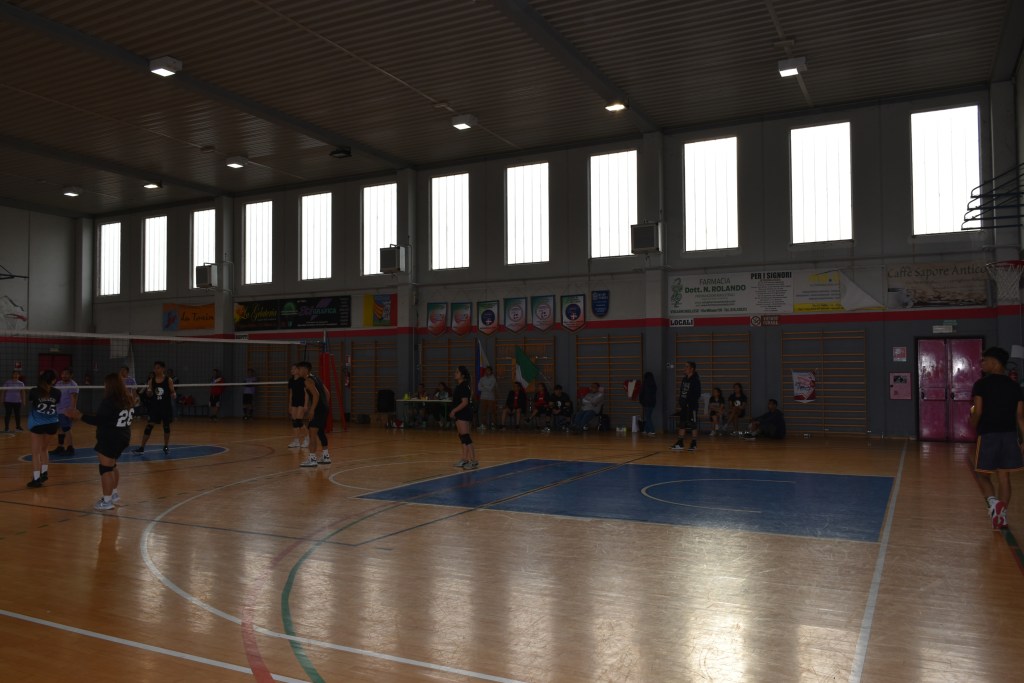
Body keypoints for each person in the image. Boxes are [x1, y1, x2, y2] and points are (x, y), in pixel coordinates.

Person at [969, 346, 1024, 530]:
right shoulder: (1014, 386)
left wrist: (972, 423)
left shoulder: (981, 384)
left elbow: (978, 411)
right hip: (1009, 436)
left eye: (984, 361)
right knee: (1004, 476)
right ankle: (1002, 515)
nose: (982, 364)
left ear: (994, 362)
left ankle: (993, 503)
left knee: (982, 475)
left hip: (989, 435)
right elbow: (1020, 416)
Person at [66, 372, 135, 510]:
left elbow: (99, 420)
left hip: (110, 438)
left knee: (106, 469)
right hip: (123, 437)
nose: (104, 386)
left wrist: (80, 416)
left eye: (105, 384)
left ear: (109, 385)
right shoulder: (127, 398)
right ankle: (114, 494)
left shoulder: (109, 401)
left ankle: (107, 501)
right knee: (112, 465)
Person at [26, 370, 60, 488]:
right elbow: (55, 402)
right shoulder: (57, 392)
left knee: (35, 453)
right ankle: (44, 473)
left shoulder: (34, 391)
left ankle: (36, 479)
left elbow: (31, 401)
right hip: (52, 424)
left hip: (38, 424)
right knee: (44, 449)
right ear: (53, 380)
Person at [135, 361, 175, 454]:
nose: (156, 370)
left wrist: (174, 394)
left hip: (165, 407)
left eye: (158, 368)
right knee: (149, 426)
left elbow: (172, 391)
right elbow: (149, 394)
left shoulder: (168, 380)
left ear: (163, 369)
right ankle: (141, 448)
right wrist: (149, 393)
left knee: (166, 427)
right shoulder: (151, 381)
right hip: (155, 407)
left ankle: (166, 446)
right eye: (155, 368)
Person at [297, 360, 331, 467]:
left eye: (299, 369)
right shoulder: (316, 378)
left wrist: (312, 410)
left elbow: (316, 395)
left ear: (305, 370)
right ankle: (325, 456)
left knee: (312, 433)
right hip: (324, 408)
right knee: (320, 432)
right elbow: (327, 392)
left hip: (318, 410)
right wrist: (324, 405)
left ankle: (312, 459)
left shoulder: (308, 381)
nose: (298, 371)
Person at [450, 365, 478, 469]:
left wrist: (454, 410)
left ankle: (473, 461)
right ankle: (464, 459)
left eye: (457, 372)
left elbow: (465, 402)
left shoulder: (463, 386)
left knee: (466, 436)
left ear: (462, 375)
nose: (455, 373)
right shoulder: (461, 386)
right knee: (462, 436)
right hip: (460, 414)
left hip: (463, 414)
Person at [671, 362, 702, 451]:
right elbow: (682, 391)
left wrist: (689, 402)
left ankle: (694, 443)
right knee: (682, 423)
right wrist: (681, 401)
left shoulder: (695, 380)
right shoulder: (684, 379)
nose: (685, 368)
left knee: (693, 424)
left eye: (687, 367)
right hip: (684, 406)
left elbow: (697, 394)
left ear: (692, 369)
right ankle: (680, 443)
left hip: (692, 406)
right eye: (685, 366)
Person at [50, 368, 80, 456]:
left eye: (66, 374)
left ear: (71, 375)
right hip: (58, 410)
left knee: (66, 428)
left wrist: (72, 411)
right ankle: (60, 447)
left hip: (66, 411)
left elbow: (74, 399)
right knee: (60, 428)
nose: (64, 375)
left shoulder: (73, 385)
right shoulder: (59, 383)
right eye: (63, 374)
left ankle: (70, 448)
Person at [287, 364, 309, 448]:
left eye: (294, 369)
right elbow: (291, 393)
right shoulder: (291, 381)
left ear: (298, 370)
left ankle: (307, 438)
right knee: (294, 422)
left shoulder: (303, 380)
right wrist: (290, 405)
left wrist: (305, 405)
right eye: (291, 369)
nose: (292, 370)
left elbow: (306, 393)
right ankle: (296, 441)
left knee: (299, 421)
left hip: (301, 402)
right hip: (294, 403)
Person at [639, 371, 658, 436]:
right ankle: (646, 430)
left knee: (648, 417)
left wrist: (641, 401)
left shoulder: (644, 383)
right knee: (647, 416)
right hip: (652, 403)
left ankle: (652, 431)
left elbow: (641, 393)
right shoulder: (654, 384)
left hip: (646, 402)